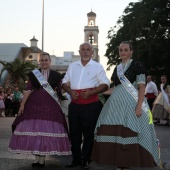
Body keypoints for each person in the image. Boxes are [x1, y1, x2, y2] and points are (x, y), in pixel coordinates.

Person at [91, 41, 159, 169]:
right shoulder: (117, 68)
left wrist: (139, 106)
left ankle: (127, 163)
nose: (123, 52)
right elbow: (115, 88)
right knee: (115, 132)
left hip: (131, 104)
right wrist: (97, 91)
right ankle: (118, 162)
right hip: (115, 107)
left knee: (128, 131)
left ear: (131, 51)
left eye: (126, 49)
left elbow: (141, 87)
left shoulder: (137, 65)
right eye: (121, 50)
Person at [8, 53, 71, 168]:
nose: (44, 62)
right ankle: (36, 158)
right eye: (42, 60)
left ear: (50, 61)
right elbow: (28, 90)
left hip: (49, 105)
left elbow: (61, 90)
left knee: (45, 129)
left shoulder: (57, 75)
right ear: (39, 62)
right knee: (35, 131)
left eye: (46, 60)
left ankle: (42, 159)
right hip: (34, 104)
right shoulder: (33, 74)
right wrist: (22, 105)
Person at [62, 42, 110, 169]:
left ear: (92, 52)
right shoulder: (72, 66)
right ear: (79, 52)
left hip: (90, 106)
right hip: (74, 105)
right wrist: (70, 91)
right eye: (83, 49)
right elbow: (64, 82)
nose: (85, 51)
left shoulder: (97, 67)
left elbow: (105, 84)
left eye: (88, 49)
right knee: (74, 134)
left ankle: (86, 160)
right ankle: (76, 159)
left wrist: (91, 92)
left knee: (89, 134)